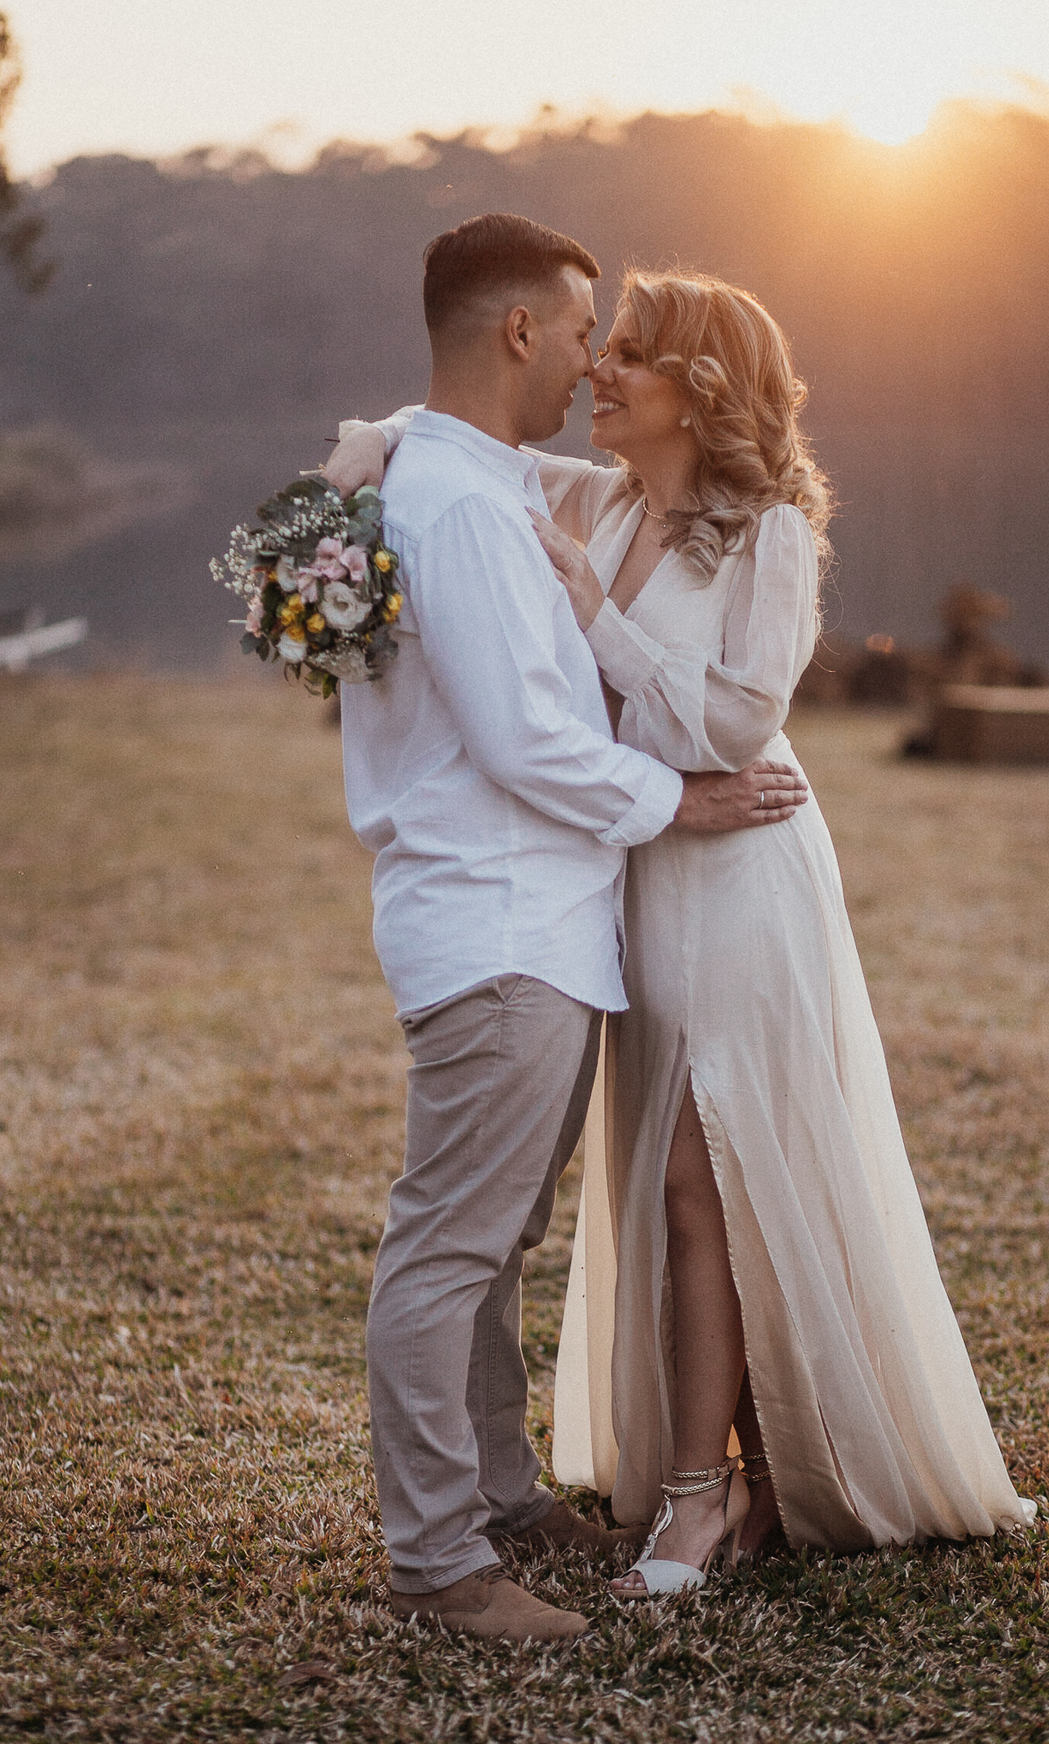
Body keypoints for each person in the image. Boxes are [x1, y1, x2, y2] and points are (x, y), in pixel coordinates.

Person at [334, 264, 1035, 1604]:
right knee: (684, 1180)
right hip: (637, 869)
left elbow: (734, 724)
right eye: (595, 345)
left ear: (700, 390)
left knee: (698, 1180)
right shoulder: (595, 500)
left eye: (630, 355)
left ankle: (702, 1496)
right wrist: (351, 461)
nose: (597, 370)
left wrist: (599, 622)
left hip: (738, 864)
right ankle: (757, 1473)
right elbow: (453, 442)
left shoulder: (769, 536)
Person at [325, 217, 806, 1644]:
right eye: (586, 330)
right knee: (450, 1248)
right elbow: (528, 737)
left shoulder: (461, 477)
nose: (594, 361)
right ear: (520, 330)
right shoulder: (463, 510)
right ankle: (439, 1564)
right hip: (499, 925)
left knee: (496, 1240)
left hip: (536, 921)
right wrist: (681, 802)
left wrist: (369, 439)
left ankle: (501, 1497)